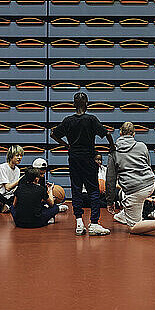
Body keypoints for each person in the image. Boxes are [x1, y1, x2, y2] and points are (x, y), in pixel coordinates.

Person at [50, 92, 115, 236]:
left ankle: (79, 222)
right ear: (87, 104)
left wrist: (66, 145)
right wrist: (112, 146)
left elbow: (53, 134)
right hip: (88, 158)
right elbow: (107, 134)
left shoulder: (68, 120)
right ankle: (94, 223)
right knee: (93, 191)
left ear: (73, 104)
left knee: (76, 189)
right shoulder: (91, 119)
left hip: (74, 158)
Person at [106, 122, 155, 239]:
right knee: (125, 193)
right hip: (149, 184)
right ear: (134, 134)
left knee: (133, 227)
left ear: (120, 133)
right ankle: (125, 213)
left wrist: (110, 201)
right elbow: (148, 164)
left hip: (135, 190)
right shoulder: (142, 146)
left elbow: (110, 179)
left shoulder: (114, 151)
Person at [0, 145, 24, 212]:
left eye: (21, 156)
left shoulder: (17, 170)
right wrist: (20, 180)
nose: (19, 158)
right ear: (11, 156)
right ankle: (7, 206)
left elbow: (13, 190)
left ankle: (6, 206)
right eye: (17, 155)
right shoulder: (2, 167)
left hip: (9, 196)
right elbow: (8, 187)